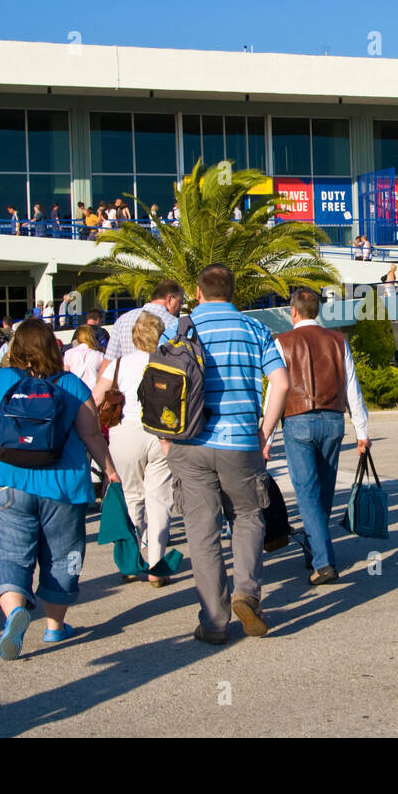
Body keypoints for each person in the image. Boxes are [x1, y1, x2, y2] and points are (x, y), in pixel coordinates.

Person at [0, 318, 120, 660]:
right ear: (54, 348)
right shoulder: (71, 385)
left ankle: (13, 614)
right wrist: (110, 471)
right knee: (62, 554)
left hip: (4, 482)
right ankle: (54, 626)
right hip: (62, 486)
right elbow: (91, 435)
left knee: (8, 553)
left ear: (15, 349)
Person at [161, 263, 289, 645]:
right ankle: (246, 594)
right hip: (239, 443)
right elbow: (280, 383)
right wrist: (263, 432)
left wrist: (168, 441)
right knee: (248, 517)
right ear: (234, 293)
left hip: (190, 443)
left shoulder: (177, 329)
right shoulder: (255, 329)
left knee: (202, 533)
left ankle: (215, 622)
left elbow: (158, 387)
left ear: (197, 293)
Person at [272, 288, 371, 585]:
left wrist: (265, 438)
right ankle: (316, 552)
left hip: (297, 420)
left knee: (306, 493)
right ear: (318, 311)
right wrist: (362, 431)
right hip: (332, 420)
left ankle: (324, 562)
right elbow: (352, 384)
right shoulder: (338, 340)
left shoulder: (282, 342)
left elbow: (273, 391)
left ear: (293, 311)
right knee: (324, 492)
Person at [92, 313, 174, 586]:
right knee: (159, 499)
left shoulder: (117, 365)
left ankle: (129, 561)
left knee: (131, 497)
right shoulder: (169, 361)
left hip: (125, 432)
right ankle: (155, 564)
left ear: (134, 337)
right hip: (161, 431)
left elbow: (95, 398)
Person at [104, 282, 181, 367]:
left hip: (126, 378)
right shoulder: (177, 324)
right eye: (180, 302)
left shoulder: (123, 319)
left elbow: (109, 361)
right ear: (170, 299)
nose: (180, 307)